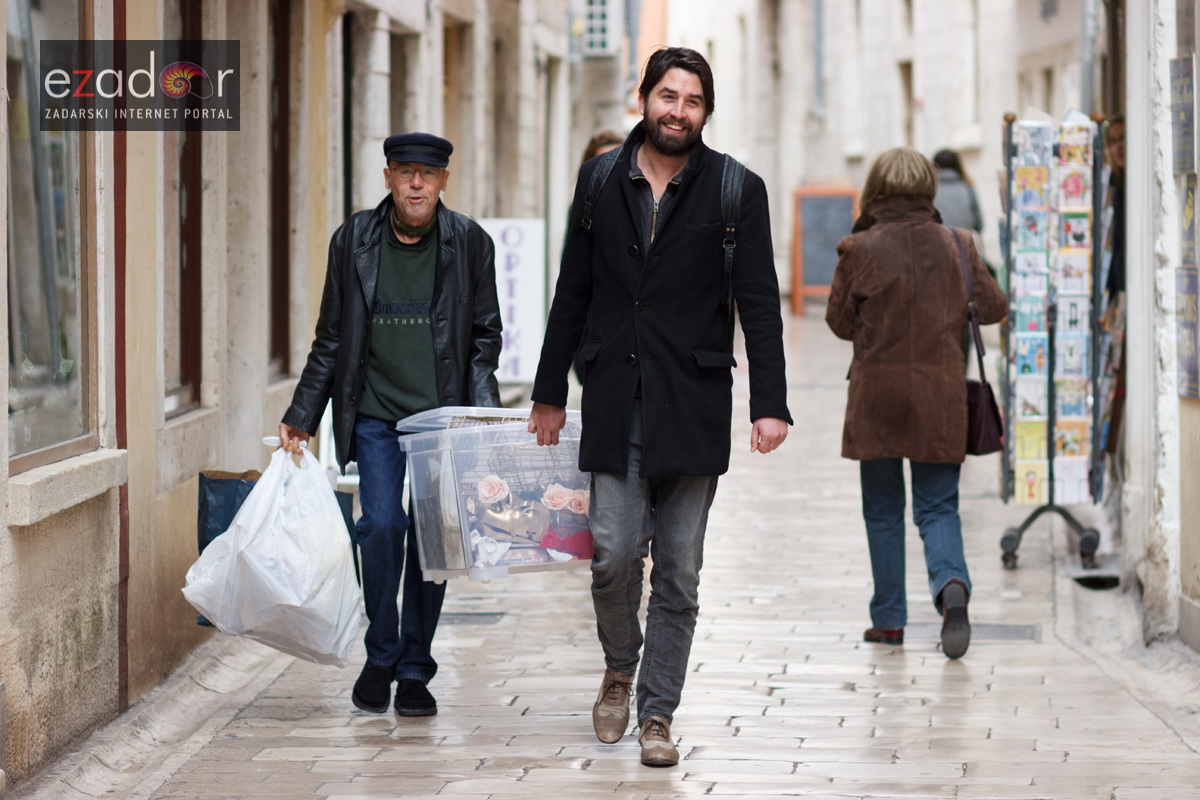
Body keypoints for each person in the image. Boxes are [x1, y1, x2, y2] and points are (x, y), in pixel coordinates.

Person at [527, 46, 791, 767]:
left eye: (693, 101)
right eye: (668, 96)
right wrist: (550, 392)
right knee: (612, 554)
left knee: (677, 568)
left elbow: (761, 303)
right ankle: (621, 665)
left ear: (707, 112)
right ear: (643, 99)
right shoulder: (600, 180)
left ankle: (657, 714)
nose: (679, 111)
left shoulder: (738, 190)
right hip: (615, 396)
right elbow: (571, 292)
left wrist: (771, 402)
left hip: (694, 402)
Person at [279, 133, 502, 718]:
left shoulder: (470, 243)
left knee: (434, 543)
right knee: (380, 524)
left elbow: (484, 338)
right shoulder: (354, 240)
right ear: (387, 177)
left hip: (440, 419)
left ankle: (413, 670)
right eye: (405, 172)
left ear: (444, 182)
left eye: (427, 174)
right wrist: (302, 414)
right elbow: (331, 337)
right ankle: (381, 653)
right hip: (375, 412)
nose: (416, 184)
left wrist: (480, 420)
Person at [826, 147, 1006, 661]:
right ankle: (952, 585)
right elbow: (993, 307)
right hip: (940, 396)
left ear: (876, 190)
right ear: (929, 189)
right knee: (937, 506)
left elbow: (839, 323)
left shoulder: (858, 248)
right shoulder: (957, 243)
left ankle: (888, 621)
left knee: (883, 512)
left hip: (876, 399)